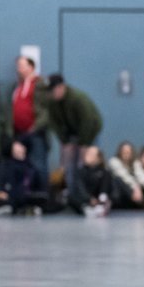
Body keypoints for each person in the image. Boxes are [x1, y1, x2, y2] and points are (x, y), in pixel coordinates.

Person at [46, 74, 103, 209]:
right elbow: (55, 123)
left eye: (53, 90)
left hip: (90, 132)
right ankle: (74, 199)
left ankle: (91, 199)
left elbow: (88, 121)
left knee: (86, 165)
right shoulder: (52, 102)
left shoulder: (78, 99)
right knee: (70, 167)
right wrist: (65, 141)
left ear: (61, 87)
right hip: (72, 134)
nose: (51, 93)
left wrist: (85, 144)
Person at [8, 56, 50, 178]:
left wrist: (36, 126)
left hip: (35, 132)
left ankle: (43, 194)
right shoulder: (18, 86)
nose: (19, 69)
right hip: (20, 133)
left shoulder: (39, 84)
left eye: (22, 66)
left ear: (31, 67)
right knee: (22, 165)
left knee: (38, 165)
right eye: (18, 66)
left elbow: (45, 109)